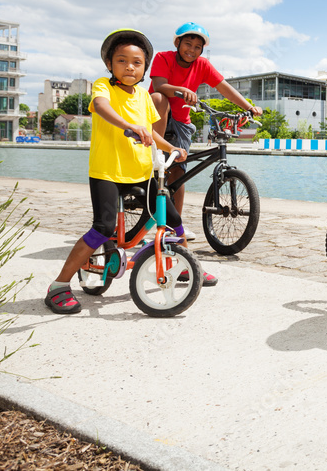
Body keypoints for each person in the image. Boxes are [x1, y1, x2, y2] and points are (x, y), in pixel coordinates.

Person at [45, 29, 192, 314]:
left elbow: (149, 130)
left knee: (173, 218)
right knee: (103, 227)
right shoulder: (104, 87)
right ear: (110, 65)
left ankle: (187, 265)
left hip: (140, 171)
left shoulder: (144, 97)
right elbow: (101, 108)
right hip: (107, 171)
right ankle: (59, 286)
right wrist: (128, 126)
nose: (129, 67)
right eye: (122, 61)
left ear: (144, 68)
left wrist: (172, 147)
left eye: (137, 63)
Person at [149, 23, 263, 239]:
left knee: (178, 172)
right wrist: (181, 90)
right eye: (187, 44)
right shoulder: (164, 57)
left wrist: (248, 107)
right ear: (177, 43)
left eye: (197, 47)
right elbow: (159, 85)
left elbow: (224, 87)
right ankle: (154, 151)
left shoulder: (202, 65)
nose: (191, 50)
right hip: (157, 114)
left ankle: (175, 227)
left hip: (182, 120)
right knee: (159, 98)